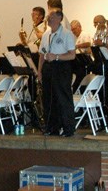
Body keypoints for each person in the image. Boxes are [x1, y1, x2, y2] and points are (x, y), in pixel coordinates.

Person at [37, 9, 76, 137]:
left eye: (52, 16)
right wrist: (39, 71)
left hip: (61, 67)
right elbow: (42, 54)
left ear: (59, 18)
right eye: (48, 17)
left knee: (62, 98)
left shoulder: (67, 34)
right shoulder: (46, 34)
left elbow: (72, 56)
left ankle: (68, 128)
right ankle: (51, 127)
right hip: (48, 67)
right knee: (48, 98)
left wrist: (57, 57)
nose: (49, 19)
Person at [70, 19, 92, 89]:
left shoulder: (84, 34)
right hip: (77, 61)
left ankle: (79, 91)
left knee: (81, 78)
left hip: (84, 61)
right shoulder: (75, 37)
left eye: (74, 29)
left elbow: (88, 44)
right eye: (72, 30)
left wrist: (77, 46)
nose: (73, 31)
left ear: (79, 27)